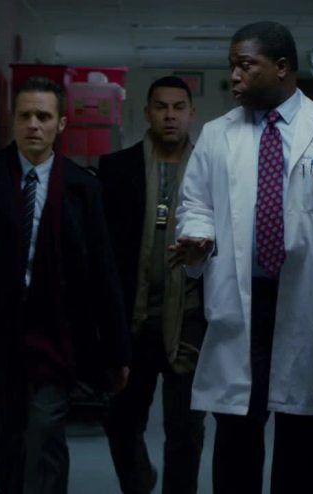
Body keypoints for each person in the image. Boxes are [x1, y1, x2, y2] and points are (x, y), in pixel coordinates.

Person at [171, 21, 313, 494]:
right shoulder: (217, 135)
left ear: (282, 67)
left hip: (306, 296)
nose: (235, 76)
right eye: (232, 66)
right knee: (236, 430)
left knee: (300, 429)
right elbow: (196, 203)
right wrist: (199, 237)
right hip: (240, 301)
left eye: (246, 65)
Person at [0, 76, 130, 494]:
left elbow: (104, 273)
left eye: (43, 116)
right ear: (14, 120)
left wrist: (117, 352)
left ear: (61, 123)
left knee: (46, 430)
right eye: (25, 116)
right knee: (2, 432)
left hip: (55, 334)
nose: (33, 124)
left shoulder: (83, 187)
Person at [98, 76, 206, 494]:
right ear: (147, 113)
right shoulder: (116, 169)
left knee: (186, 429)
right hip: (134, 319)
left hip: (190, 320)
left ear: (191, 114)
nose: (170, 116)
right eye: (161, 107)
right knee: (122, 422)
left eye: (179, 107)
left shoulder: (210, 171)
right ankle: (139, 483)